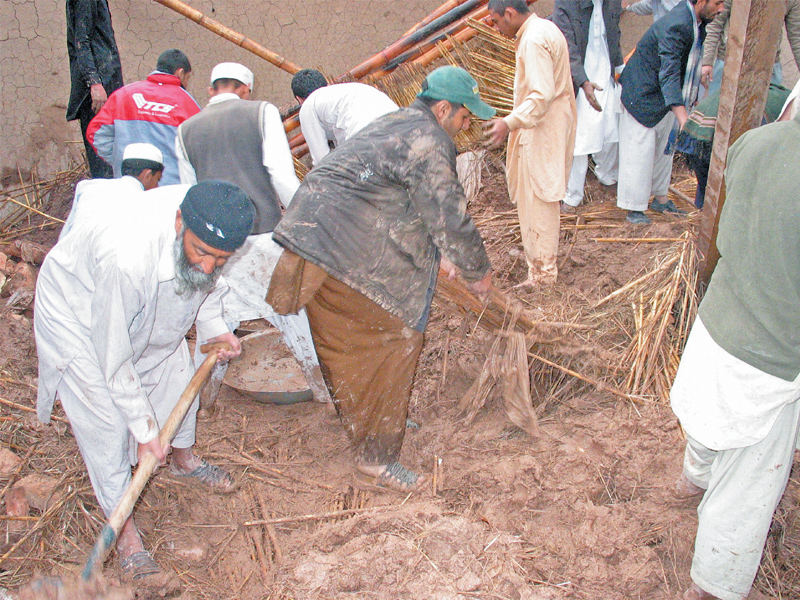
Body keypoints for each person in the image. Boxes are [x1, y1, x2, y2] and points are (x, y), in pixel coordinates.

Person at [268, 66, 494, 492]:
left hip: (312, 237)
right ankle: (377, 458)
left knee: (352, 344)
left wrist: (441, 258)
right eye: (465, 116)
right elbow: (449, 212)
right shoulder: (430, 139)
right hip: (336, 248)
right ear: (443, 109)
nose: (467, 125)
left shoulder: (395, 123)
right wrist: (477, 272)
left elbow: (406, 199)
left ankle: (375, 408)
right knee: (395, 338)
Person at [35, 180, 254, 579]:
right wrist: (144, 430)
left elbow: (203, 289)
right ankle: (126, 538)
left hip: (143, 310)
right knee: (107, 424)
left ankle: (184, 461)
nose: (208, 266)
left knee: (175, 375)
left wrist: (215, 328)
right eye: (201, 252)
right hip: (80, 319)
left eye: (220, 259)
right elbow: (114, 359)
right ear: (177, 223)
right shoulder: (128, 257)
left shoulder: (209, 216)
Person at [670, 111, 800, 600]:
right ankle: (711, 587)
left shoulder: (753, 143)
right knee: (747, 489)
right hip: (772, 355)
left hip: (720, 320)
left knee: (706, 422)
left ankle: (691, 481)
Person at [176, 63, 330, 408]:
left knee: (215, 320)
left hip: (215, 249)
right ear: (246, 88)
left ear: (212, 89)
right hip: (262, 236)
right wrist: (308, 218)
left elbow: (191, 195)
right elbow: (280, 175)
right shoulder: (260, 113)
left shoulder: (185, 129)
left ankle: (207, 401)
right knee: (293, 317)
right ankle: (322, 392)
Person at [484, 0, 577, 285]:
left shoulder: (534, 39)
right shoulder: (543, 30)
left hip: (542, 128)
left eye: (496, 21)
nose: (496, 28)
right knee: (538, 197)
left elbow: (541, 95)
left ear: (509, 14)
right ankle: (539, 269)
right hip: (547, 125)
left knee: (539, 199)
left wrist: (508, 122)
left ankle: (542, 276)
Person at [616, 0, 724, 224]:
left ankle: (660, 197)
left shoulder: (696, 21)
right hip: (643, 94)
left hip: (661, 97)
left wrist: (696, 76)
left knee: (664, 149)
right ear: (701, 1)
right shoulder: (677, 25)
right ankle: (633, 207)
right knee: (640, 152)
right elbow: (669, 73)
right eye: (718, 2)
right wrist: (684, 118)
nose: (721, 8)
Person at [87, 49, 200, 185]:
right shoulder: (188, 103)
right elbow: (201, 149)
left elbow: (96, 135)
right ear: (180, 73)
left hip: (128, 186)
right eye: (187, 78)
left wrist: (120, 161)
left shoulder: (123, 95)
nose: (186, 83)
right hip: (170, 190)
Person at [553, 0, 624, 211]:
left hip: (605, 68)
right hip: (577, 75)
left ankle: (608, 176)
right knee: (580, 134)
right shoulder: (565, 4)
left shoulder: (611, 2)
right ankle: (571, 195)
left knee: (610, 126)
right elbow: (567, 48)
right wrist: (583, 82)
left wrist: (620, 70)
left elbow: (614, 35)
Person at [290, 69, 399, 167]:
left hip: (366, 137)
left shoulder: (308, 106)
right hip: (400, 123)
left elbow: (321, 161)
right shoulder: (346, 90)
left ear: (299, 99)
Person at [66, 0, 123, 179]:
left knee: (111, 158)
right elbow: (81, 41)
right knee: (103, 164)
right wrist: (95, 83)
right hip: (98, 91)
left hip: (105, 83)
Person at [60, 142, 165, 239]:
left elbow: (65, 237)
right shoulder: (143, 202)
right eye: (157, 180)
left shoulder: (88, 188)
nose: (157, 187)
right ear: (147, 175)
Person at [700, 0, 800, 95]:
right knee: (715, 110)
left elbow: (796, 36)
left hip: (769, 67)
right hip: (729, 63)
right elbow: (715, 25)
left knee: (768, 110)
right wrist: (706, 62)